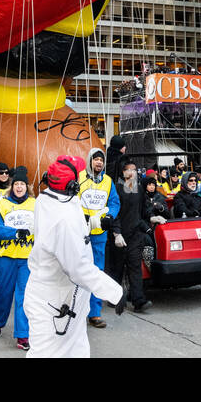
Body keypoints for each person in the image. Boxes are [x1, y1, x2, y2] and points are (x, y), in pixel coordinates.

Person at [25, 156, 126, 357]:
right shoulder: (64, 219)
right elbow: (78, 268)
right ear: (72, 185)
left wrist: (91, 223)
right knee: (46, 353)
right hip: (55, 301)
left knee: (76, 351)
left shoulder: (47, 198)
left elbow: (63, 231)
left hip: (62, 298)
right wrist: (114, 292)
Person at [0, 167, 35, 351]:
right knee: (3, 294)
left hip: (27, 260)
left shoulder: (35, 204)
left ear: (27, 186)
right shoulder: (3, 204)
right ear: (12, 186)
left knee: (24, 297)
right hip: (6, 258)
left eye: (22, 184)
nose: (19, 187)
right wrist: (14, 233)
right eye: (16, 184)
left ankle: (23, 336)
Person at [77, 147, 119, 328]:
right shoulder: (79, 178)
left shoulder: (108, 181)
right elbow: (70, 200)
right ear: (90, 161)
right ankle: (77, 312)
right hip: (80, 233)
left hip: (99, 234)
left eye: (101, 160)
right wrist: (81, 217)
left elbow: (114, 202)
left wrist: (110, 216)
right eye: (96, 159)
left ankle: (95, 313)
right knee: (78, 272)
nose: (99, 162)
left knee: (97, 272)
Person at [104, 159, 151, 313]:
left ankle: (139, 300)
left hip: (135, 235)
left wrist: (152, 217)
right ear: (123, 172)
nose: (132, 173)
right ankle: (115, 297)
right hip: (119, 234)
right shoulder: (116, 188)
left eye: (134, 170)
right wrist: (116, 232)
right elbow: (114, 212)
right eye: (129, 170)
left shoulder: (139, 189)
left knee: (135, 267)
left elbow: (143, 210)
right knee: (117, 268)